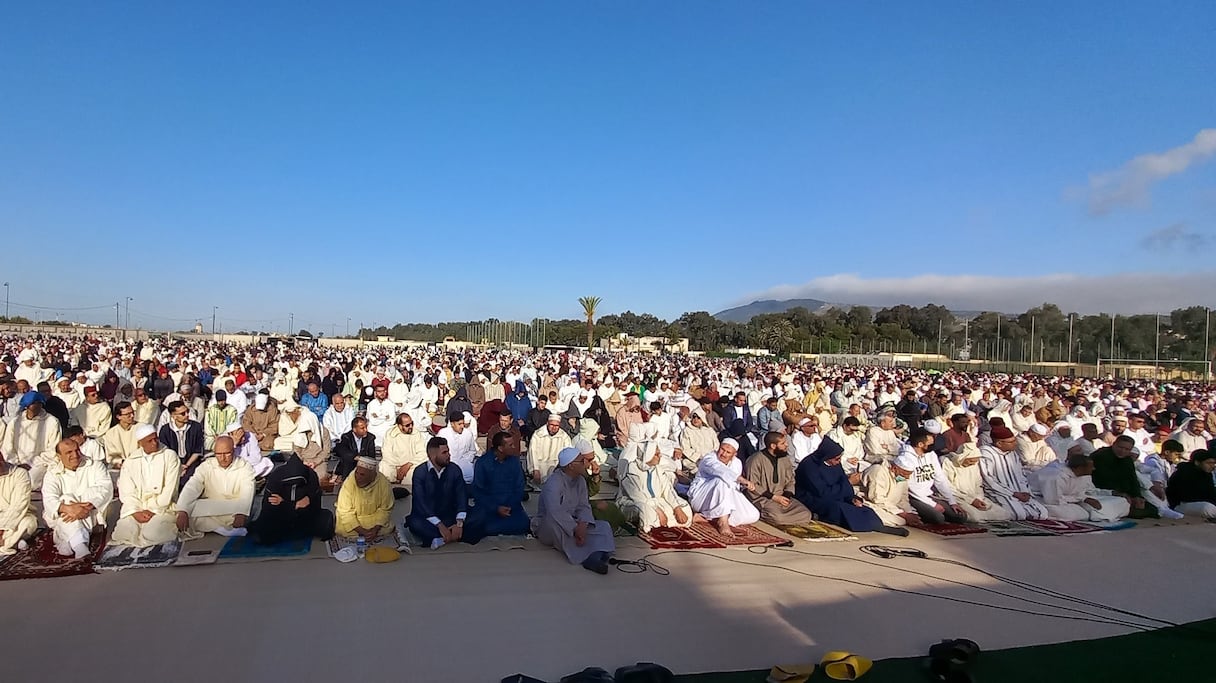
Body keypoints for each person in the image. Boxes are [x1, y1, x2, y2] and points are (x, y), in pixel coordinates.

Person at [795, 438, 905, 535]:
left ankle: (877, 525)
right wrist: (848, 483)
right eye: (836, 459)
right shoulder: (809, 466)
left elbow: (842, 480)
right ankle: (869, 526)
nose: (838, 462)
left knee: (861, 507)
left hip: (835, 493)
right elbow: (822, 492)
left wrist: (852, 498)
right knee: (840, 508)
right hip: (813, 497)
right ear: (827, 456)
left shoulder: (835, 464)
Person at [534, 446, 616, 574]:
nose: (586, 463)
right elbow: (555, 512)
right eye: (582, 460)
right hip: (550, 525)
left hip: (574, 522)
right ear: (571, 465)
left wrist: (583, 524)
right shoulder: (553, 483)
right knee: (555, 525)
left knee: (603, 526)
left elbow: (583, 506)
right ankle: (590, 557)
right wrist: (575, 528)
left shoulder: (581, 481)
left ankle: (595, 554)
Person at [41, 437, 113, 558]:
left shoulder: (95, 465)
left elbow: (105, 488)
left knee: (68, 500)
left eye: (77, 450)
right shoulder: (52, 473)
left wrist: (85, 507)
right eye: (69, 452)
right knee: (66, 499)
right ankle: (80, 545)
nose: (75, 455)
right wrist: (69, 508)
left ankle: (72, 543)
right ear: (59, 456)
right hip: (63, 514)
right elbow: (49, 499)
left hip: (90, 513)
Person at [111, 424, 181, 548]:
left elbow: (170, 490)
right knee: (123, 531)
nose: (154, 443)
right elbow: (127, 492)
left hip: (163, 508)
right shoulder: (131, 461)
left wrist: (152, 509)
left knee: (153, 533)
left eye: (156, 439)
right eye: (149, 441)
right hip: (138, 508)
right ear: (140, 443)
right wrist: (135, 511)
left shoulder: (170, 456)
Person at [175, 435, 256, 540]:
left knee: (246, 511)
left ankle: (214, 526)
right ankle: (221, 528)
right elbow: (192, 487)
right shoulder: (206, 466)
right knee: (186, 511)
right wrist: (183, 511)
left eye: (227, 453)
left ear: (234, 451)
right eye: (218, 454)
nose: (222, 458)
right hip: (211, 505)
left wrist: (242, 512)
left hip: (234, 508)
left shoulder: (244, 467)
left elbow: (247, 492)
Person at [247, 450, 334, 544]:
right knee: (264, 530)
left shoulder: (311, 476)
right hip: (280, 517)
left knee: (325, 521)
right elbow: (269, 507)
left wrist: (283, 502)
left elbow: (314, 505)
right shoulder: (276, 476)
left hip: (305, 517)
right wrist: (293, 505)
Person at [617, 431, 692, 532]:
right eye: (656, 454)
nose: (660, 456)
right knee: (645, 511)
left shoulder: (658, 469)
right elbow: (637, 497)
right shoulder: (631, 470)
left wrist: (677, 508)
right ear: (648, 456)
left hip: (657, 500)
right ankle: (657, 521)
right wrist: (658, 511)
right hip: (634, 502)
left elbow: (668, 490)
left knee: (685, 507)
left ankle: (657, 523)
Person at [1091, 435, 1181, 519]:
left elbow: (1132, 478)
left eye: (1126, 449)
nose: (1122, 451)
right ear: (1114, 445)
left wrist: (1137, 496)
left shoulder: (1127, 459)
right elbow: (1103, 480)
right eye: (1120, 447)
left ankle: (1161, 509)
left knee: (1146, 503)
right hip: (1105, 491)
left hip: (1123, 490)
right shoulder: (1101, 456)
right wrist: (1123, 494)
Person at [466, 431, 531, 542]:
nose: (514, 447)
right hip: (488, 508)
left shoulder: (515, 462)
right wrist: (496, 508)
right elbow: (478, 492)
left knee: (525, 524)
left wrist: (510, 506)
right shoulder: (482, 463)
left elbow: (519, 487)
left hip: (511, 507)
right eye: (510, 445)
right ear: (500, 448)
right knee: (480, 525)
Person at [688, 438, 760, 535]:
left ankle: (707, 518)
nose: (724, 454)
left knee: (753, 515)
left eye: (728, 452)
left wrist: (744, 485)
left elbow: (734, 487)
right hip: (700, 498)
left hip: (725, 497)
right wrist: (741, 479)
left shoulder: (737, 463)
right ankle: (723, 522)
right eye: (722, 449)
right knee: (721, 481)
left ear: (734, 455)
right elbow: (719, 470)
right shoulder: (709, 458)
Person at [408, 437, 468, 549]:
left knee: (479, 516)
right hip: (428, 518)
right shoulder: (420, 472)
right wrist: (440, 525)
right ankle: (450, 536)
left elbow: (462, 496)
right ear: (432, 456)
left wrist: (459, 523)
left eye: (448, 451)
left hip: (450, 516)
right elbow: (420, 503)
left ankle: (441, 538)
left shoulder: (454, 469)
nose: (449, 455)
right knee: (414, 523)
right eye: (444, 452)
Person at [979, 425, 1049, 520]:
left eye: (1015, 440)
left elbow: (1021, 475)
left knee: (1042, 513)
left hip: (1019, 490)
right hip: (999, 492)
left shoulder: (1013, 453)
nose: (1015, 443)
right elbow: (988, 480)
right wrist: (1013, 493)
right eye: (1011, 442)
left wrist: (1025, 491)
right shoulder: (986, 453)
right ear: (999, 443)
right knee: (1018, 514)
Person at [744, 432, 813, 525]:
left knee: (806, 514)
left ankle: (783, 518)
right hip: (763, 498)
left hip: (782, 498)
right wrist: (774, 497)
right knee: (778, 518)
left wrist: (786, 496)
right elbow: (752, 486)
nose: (787, 445)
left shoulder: (784, 459)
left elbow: (790, 480)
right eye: (783, 443)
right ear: (773, 446)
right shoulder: (755, 460)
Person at [1040, 451, 1131, 522]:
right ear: (1080, 468)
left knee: (1121, 501)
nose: (1094, 469)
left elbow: (1090, 491)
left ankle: (1097, 515)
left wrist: (1111, 493)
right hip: (1043, 499)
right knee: (1076, 514)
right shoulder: (1057, 476)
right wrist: (1082, 499)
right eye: (1091, 467)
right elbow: (1053, 500)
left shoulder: (1085, 476)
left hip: (1074, 501)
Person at [1, 391, 61, 489]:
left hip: (40, 463)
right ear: (27, 406)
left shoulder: (52, 422)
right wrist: (17, 463)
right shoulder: (15, 422)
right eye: (33, 403)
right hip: (16, 462)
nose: (36, 406)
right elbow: (7, 448)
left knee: (29, 482)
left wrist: (31, 463)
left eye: (39, 403)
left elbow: (53, 450)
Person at [940, 446, 1011, 522]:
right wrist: (971, 500)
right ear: (962, 458)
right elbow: (947, 487)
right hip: (956, 497)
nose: (973, 464)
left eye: (975, 461)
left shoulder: (974, 465)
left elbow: (978, 484)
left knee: (1004, 514)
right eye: (970, 461)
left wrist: (979, 498)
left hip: (974, 496)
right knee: (974, 517)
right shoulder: (947, 462)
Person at [334, 456, 395, 541]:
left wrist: (375, 529)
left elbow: (385, 509)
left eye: (362, 475)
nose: (358, 477)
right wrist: (362, 531)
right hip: (355, 520)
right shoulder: (349, 484)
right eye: (357, 473)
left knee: (386, 528)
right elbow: (345, 512)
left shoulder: (384, 483)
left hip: (374, 520)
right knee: (344, 529)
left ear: (372, 475)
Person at [859, 457, 915, 527]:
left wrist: (909, 513)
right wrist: (904, 515)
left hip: (889, 507)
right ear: (894, 468)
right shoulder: (878, 470)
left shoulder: (901, 478)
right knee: (899, 521)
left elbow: (903, 499)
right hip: (870, 503)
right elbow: (877, 498)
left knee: (907, 518)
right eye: (905, 474)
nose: (907, 477)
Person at [159, 399, 205, 485]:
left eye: (187, 412)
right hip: (172, 464)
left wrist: (186, 466)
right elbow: (165, 452)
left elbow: (198, 450)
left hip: (191, 463)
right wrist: (178, 467)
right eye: (183, 414)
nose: (187, 415)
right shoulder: (165, 430)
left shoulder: (196, 427)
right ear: (173, 416)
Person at [379, 412, 427, 493]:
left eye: (412, 423)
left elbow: (422, 453)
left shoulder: (416, 434)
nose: (411, 426)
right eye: (407, 425)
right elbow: (387, 454)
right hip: (393, 465)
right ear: (400, 426)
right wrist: (398, 468)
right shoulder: (390, 434)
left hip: (410, 466)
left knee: (417, 472)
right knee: (384, 466)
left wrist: (408, 465)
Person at [0, 456, 37, 556]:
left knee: (29, 523)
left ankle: (8, 543)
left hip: (19, 516)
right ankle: (12, 542)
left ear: (1, 458)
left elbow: (19, 505)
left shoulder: (20, 474)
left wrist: (2, 529)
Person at [1166, 448, 1216, 519]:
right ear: (1197, 462)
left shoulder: (1207, 473)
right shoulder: (1184, 472)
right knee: (1207, 508)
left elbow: (1211, 493)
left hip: (1201, 503)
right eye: (1209, 463)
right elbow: (1186, 496)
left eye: (1214, 463)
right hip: (1181, 505)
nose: (1213, 466)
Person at [528, 413, 571, 486]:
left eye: (556, 425)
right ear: (547, 423)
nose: (554, 428)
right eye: (552, 425)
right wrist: (535, 469)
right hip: (540, 466)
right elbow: (533, 452)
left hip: (556, 468)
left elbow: (568, 454)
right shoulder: (538, 434)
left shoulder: (564, 437)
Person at [333, 417, 377, 488]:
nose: (366, 430)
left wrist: (362, 460)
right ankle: (346, 483)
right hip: (350, 464)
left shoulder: (370, 437)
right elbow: (342, 450)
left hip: (364, 464)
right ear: (354, 429)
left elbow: (372, 456)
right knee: (347, 460)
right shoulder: (346, 437)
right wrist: (355, 457)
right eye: (362, 428)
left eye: (366, 427)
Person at [437, 411, 479, 484]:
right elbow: (437, 451)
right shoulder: (443, 434)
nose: (462, 426)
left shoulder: (468, 434)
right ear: (452, 424)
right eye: (459, 424)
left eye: (463, 423)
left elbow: (472, 451)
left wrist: (466, 460)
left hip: (464, 465)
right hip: (447, 465)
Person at [101, 401, 141, 469]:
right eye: (128, 414)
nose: (132, 416)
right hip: (121, 466)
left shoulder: (141, 428)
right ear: (119, 417)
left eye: (132, 412)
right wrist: (121, 462)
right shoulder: (111, 433)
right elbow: (111, 456)